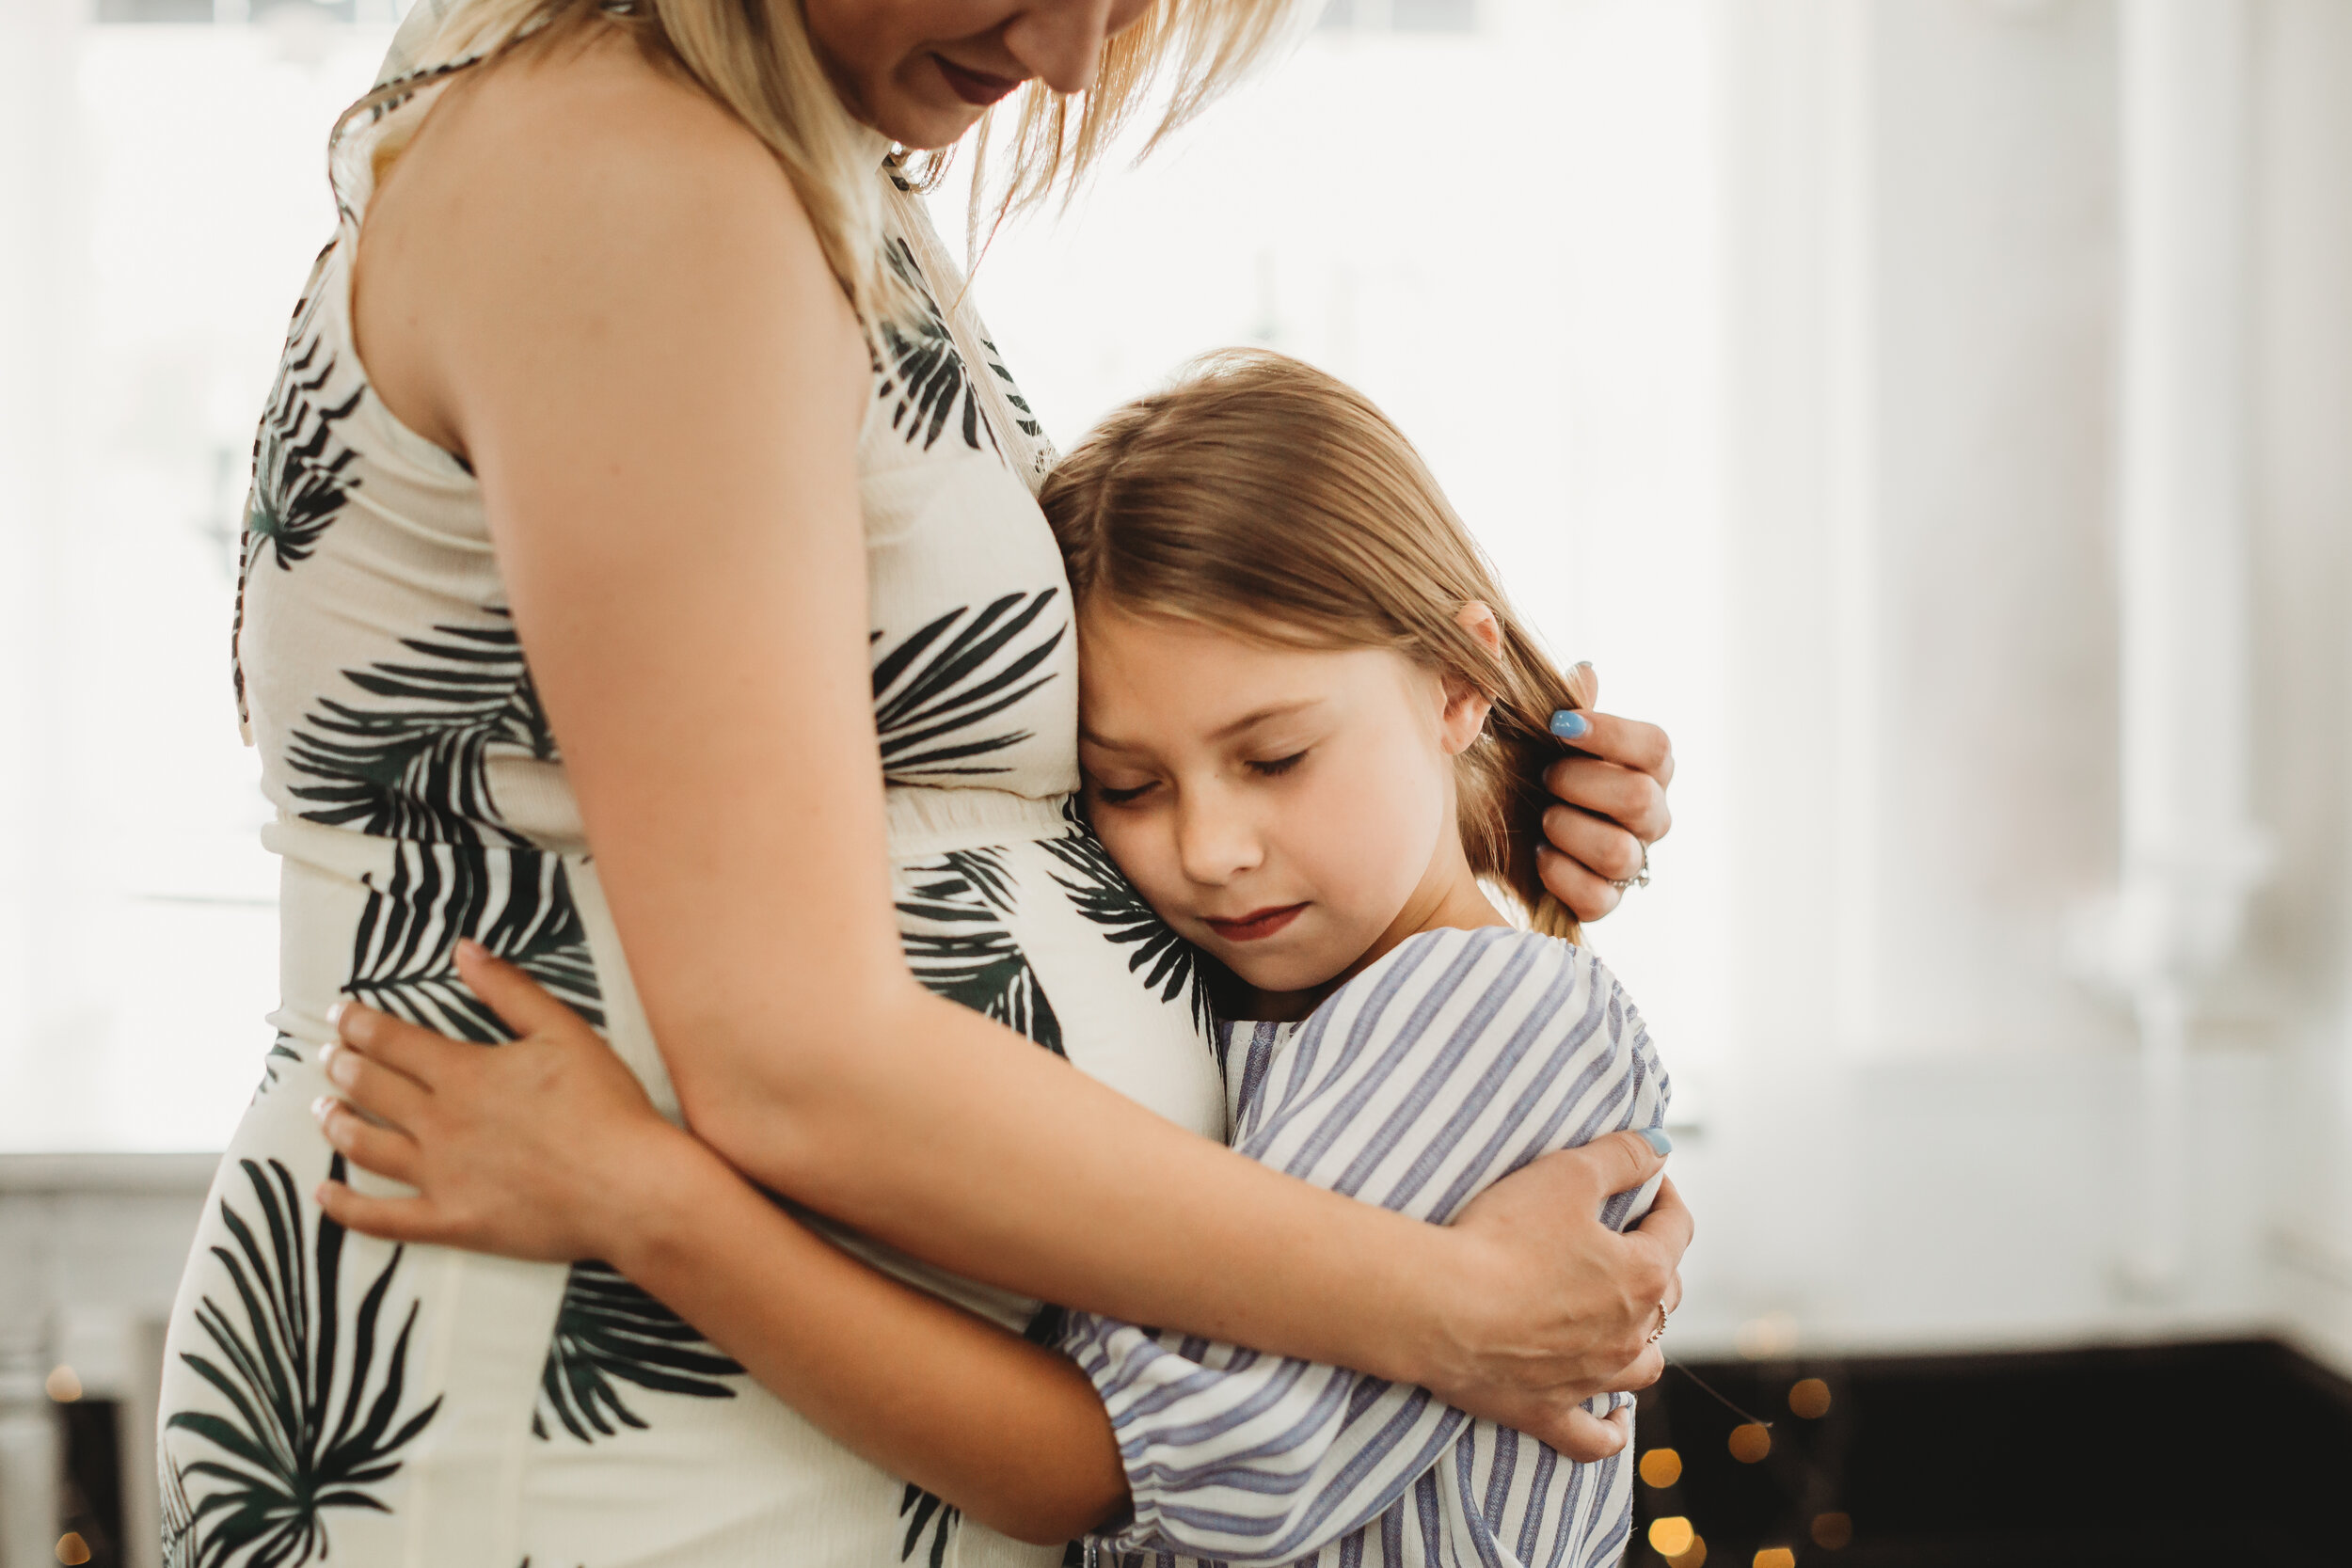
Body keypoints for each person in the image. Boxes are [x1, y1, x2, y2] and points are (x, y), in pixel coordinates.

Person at [159, 0, 1687, 1563]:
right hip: (580, 1406)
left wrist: (1488, 787)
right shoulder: (637, 172)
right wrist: (1466, 1301)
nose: (1075, 57)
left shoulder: (798, 169)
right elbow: (792, 1057)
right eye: (1129, 785)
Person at [312, 349, 1673, 1568]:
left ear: (1454, 681)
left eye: (1275, 757)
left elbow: (1160, 1467)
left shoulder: (1483, 1008)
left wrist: (639, 1197)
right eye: (1125, 787)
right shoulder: (1250, 995)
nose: (1207, 848)